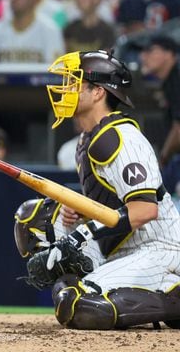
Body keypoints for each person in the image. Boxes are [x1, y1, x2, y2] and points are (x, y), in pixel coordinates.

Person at [15, 49, 180, 329]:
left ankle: (174, 299)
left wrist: (83, 233)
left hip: (158, 249)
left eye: (74, 83)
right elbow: (112, 204)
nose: (66, 90)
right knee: (33, 221)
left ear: (98, 92)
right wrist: (81, 213)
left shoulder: (120, 137)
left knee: (79, 306)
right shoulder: (87, 139)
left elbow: (145, 210)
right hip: (119, 247)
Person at [140, 36, 180, 169]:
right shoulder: (170, 80)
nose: (143, 56)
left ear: (169, 54)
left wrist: (163, 159)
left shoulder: (176, 78)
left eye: (150, 50)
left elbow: (178, 129)